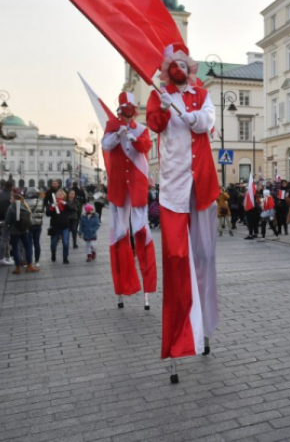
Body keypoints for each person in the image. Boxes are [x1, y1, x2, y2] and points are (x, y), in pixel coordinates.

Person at [147, 46, 220, 363]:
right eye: (172, 64)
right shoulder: (158, 94)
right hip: (175, 188)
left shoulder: (201, 93)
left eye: (183, 63)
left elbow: (208, 121)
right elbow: (154, 125)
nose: (178, 69)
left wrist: (195, 117)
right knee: (177, 257)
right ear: (167, 68)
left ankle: (204, 325)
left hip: (201, 184)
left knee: (205, 254)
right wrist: (164, 108)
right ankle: (180, 332)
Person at [102, 91, 158, 307]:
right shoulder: (111, 126)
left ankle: (147, 287)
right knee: (118, 233)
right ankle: (123, 285)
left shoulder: (142, 129)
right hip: (118, 188)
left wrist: (133, 138)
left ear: (134, 111)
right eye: (124, 110)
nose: (127, 115)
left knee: (141, 231)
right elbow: (106, 145)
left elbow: (145, 147)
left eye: (130, 110)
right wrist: (117, 134)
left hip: (136, 187)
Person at [5, 191, 37, 275]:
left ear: (15, 199)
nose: (10, 200)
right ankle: (29, 265)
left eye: (11, 198)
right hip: (24, 230)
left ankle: (18, 268)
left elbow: (7, 220)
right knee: (28, 247)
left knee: (16, 249)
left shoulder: (11, 207)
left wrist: (7, 228)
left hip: (14, 231)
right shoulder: (24, 205)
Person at [46, 188, 71, 264]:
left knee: (66, 243)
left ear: (64, 195)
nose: (59, 195)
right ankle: (53, 254)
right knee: (53, 244)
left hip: (65, 227)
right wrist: (53, 206)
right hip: (55, 227)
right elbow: (47, 213)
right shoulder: (52, 203)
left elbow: (71, 209)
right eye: (58, 194)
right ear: (55, 195)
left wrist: (64, 203)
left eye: (61, 194)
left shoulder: (65, 203)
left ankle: (65, 258)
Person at [25, 187, 44, 267]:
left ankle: (29, 262)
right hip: (38, 225)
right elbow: (42, 212)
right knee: (37, 242)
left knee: (29, 244)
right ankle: (37, 261)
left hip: (29, 225)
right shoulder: (40, 202)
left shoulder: (25, 202)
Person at [0, 179, 14, 266]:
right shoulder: (9, 196)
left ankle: (7, 256)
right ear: (11, 187)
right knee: (4, 239)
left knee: (5, 239)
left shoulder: (1, 194)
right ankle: (2, 258)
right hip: (6, 220)